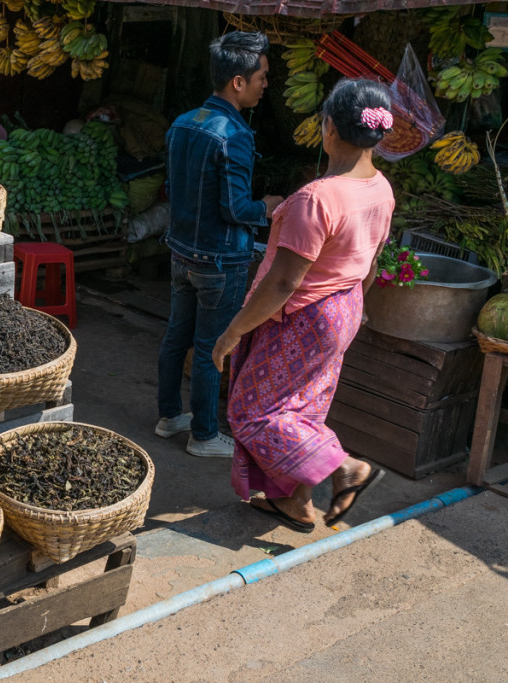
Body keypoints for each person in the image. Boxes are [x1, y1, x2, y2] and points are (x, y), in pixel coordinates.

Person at [212, 78, 394, 533]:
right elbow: (370, 263)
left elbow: (283, 283)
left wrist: (233, 331)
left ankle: (344, 470)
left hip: (303, 315)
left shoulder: (317, 198)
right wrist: (355, 309)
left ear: (329, 127)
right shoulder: (380, 188)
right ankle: (295, 503)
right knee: (302, 408)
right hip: (345, 306)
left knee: (254, 413)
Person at [155, 31, 284, 458]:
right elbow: (235, 208)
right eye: (262, 76)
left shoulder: (182, 123)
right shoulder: (235, 134)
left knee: (177, 337)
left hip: (182, 252)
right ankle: (205, 435)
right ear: (238, 82)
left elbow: (173, 188)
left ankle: (169, 416)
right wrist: (266, 206)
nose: (267, 84)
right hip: (220, 260)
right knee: (213, 347)